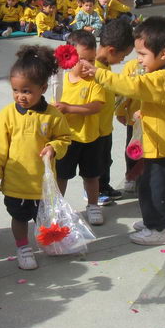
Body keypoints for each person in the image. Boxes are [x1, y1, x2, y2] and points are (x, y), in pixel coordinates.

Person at [80, 16, 165, 245]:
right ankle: (153, 221)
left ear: (163, 54)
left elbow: (132, 86)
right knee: (148, 185)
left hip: (163, 147)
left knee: (155, 189)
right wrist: (142, 115)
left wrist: (98, 73)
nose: (138, 60)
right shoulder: (160, 75)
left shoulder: (163, 77)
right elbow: (159, 105)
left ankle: (157, 230)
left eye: (142, 55)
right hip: (159, 143)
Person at [0, 45, 73, 270]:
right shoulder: (7, 114)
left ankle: (46, 241)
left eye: (26, 91)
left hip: (42, 184)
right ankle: (23, 247)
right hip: (16, 182)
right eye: (15, 90)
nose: (20, 96)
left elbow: (65, 138)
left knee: (43, 218)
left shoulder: (53, 115)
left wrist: (54, 146)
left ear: (43, 88)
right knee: (19, 217)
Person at [53, 31, 106, 227]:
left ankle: (93, 205)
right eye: (82, 59)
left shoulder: (95, 81)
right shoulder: (59, 81)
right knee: (61, 175)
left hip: (90, 138)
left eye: (91, 60)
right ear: (68, 56)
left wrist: (68, 108)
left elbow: (96, 106)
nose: (87, 65)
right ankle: (58, 207)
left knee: (91, 176)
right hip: (66, 140)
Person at [94, 17, 135, 206]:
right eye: (122, 56)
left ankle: (104, 186)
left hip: (105, 126)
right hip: (93, 129)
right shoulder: (92, 69)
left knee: (105, 160)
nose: (122, 60)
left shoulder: (105, 65)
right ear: (111, 50)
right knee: (94, 164)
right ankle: (94, 191)